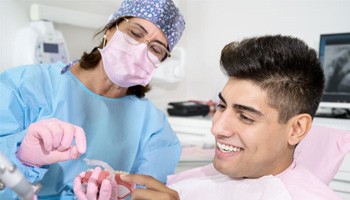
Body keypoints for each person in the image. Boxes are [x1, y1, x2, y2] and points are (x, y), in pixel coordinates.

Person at [74, 35, 342, 200]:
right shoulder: (207, 178)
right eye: (222, 107)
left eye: (246, 117)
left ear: (296, 128)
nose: (218, 128)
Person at [0, 0, 185, 199]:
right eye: (135, 33)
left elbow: (147, 194)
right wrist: (23, 159)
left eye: (155, 49)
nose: (140, 50)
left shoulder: (155, 130)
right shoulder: (24, 86)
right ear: (110, 29)